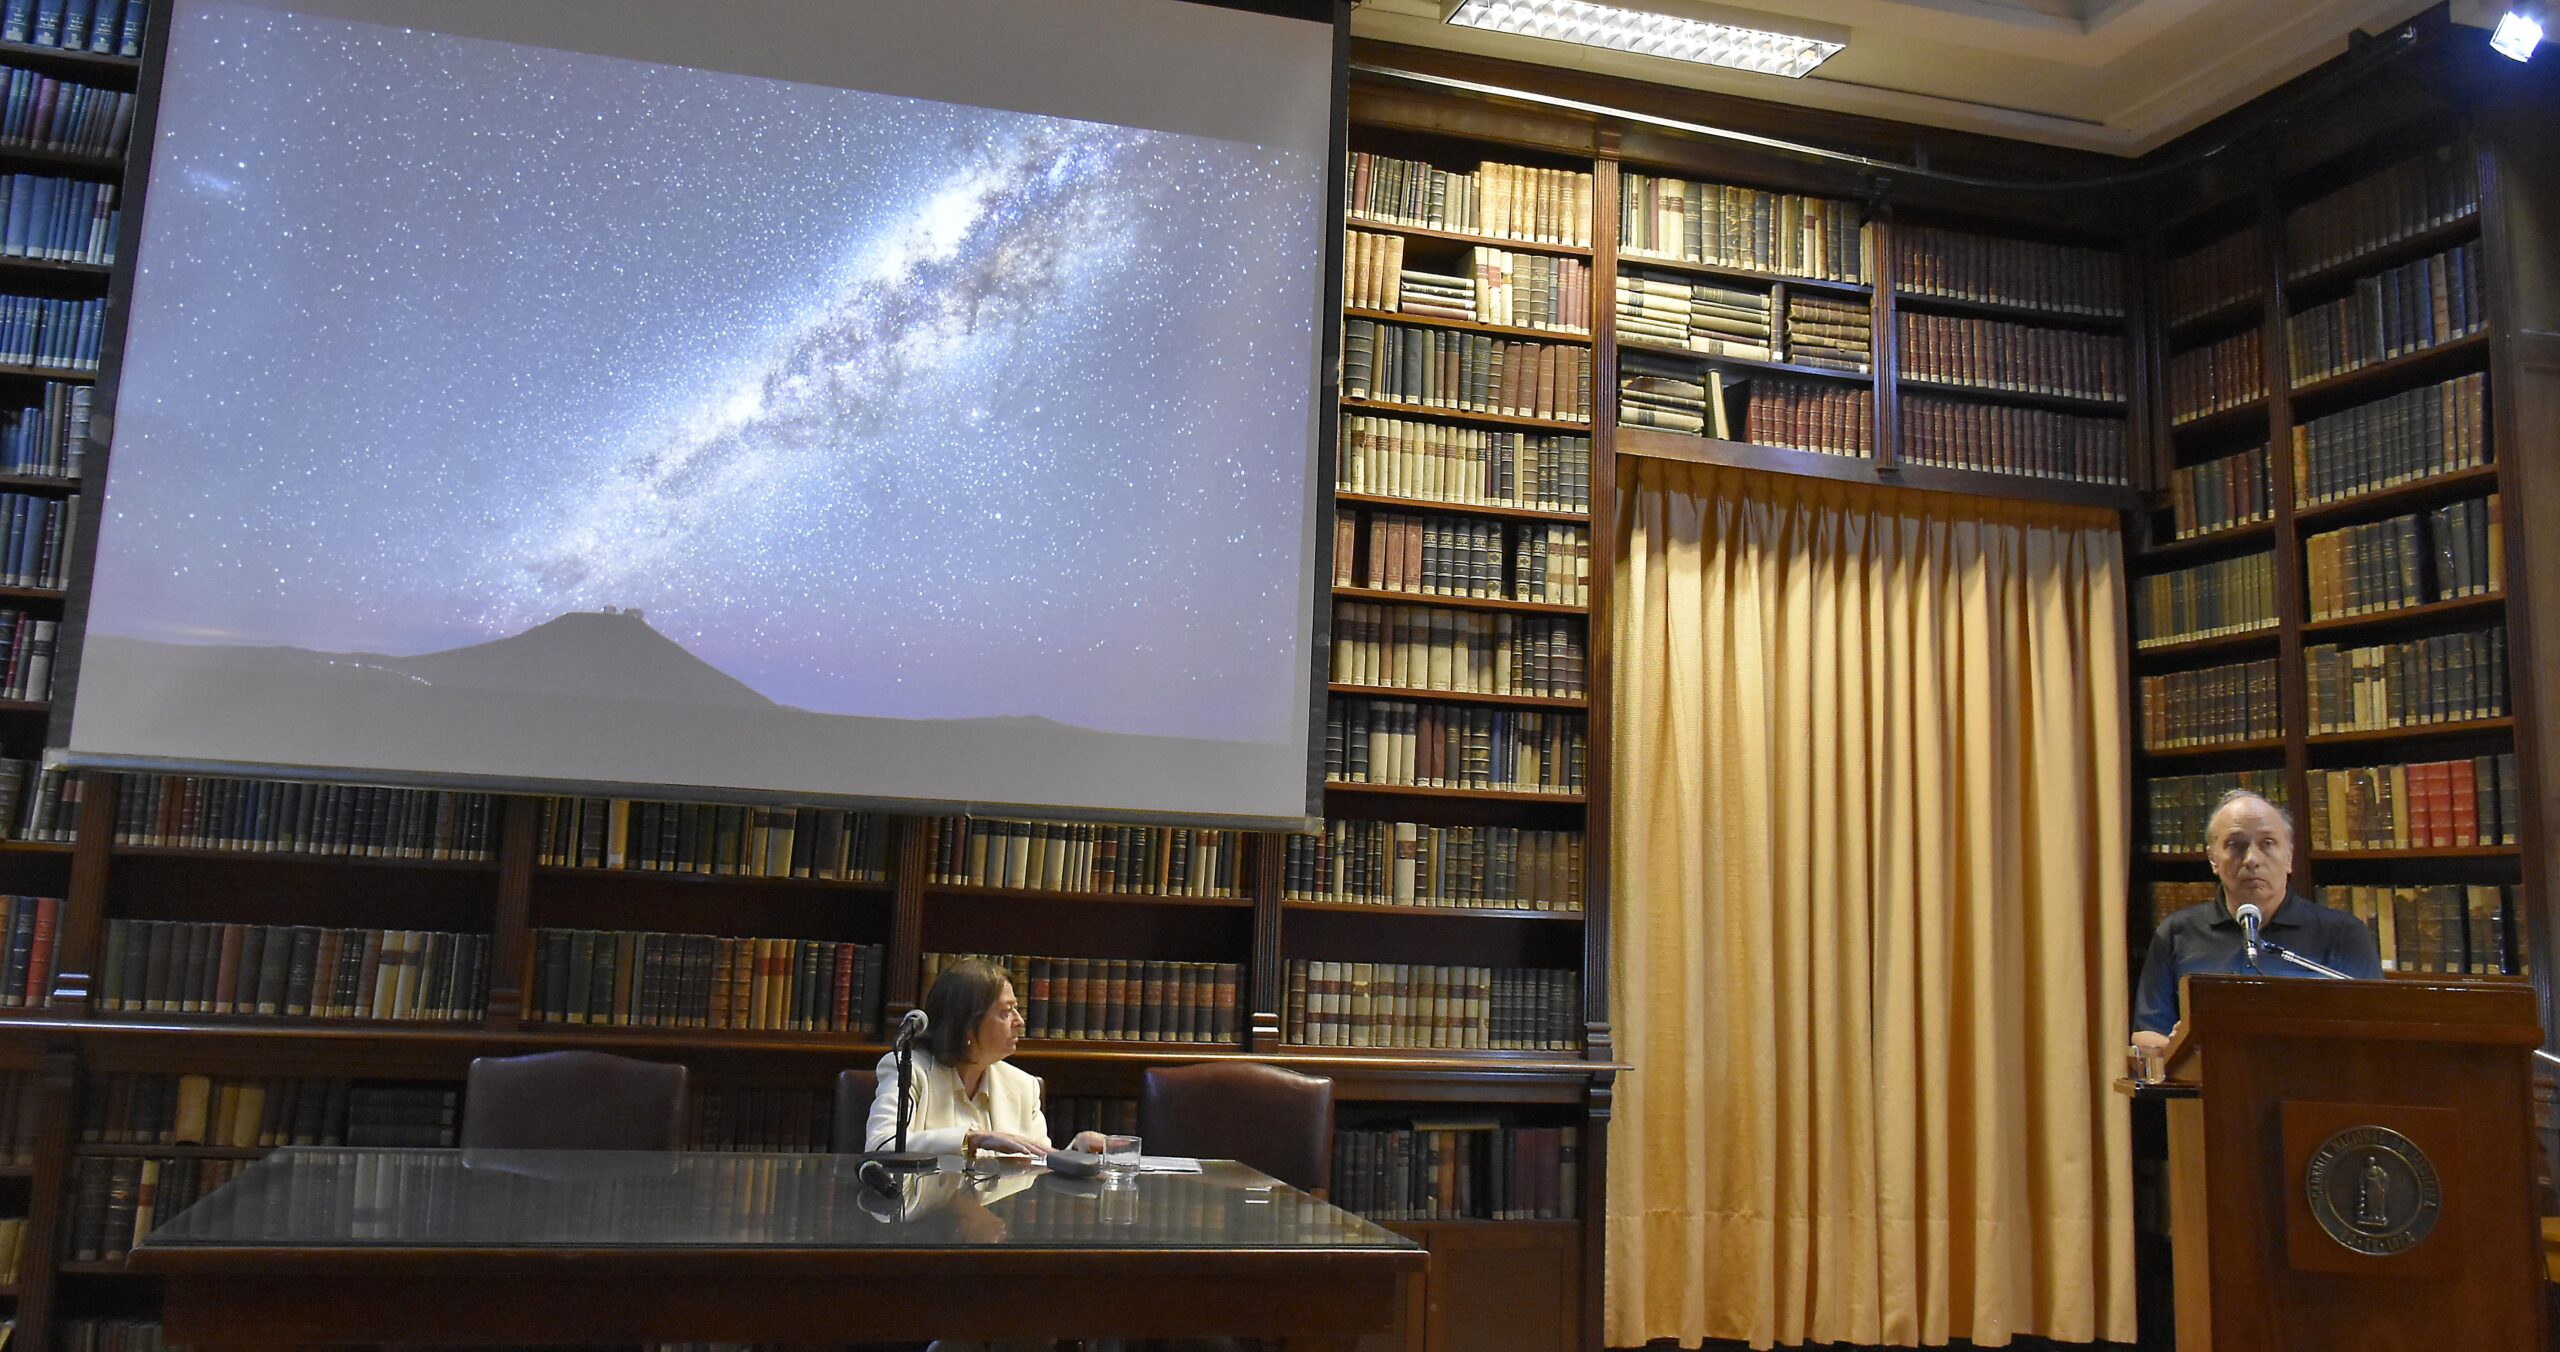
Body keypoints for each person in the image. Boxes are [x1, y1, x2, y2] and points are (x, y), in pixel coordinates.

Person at [2131, 788, 2382, 1062]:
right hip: (2206, 1085)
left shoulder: (2343, 934)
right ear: (2213, 859)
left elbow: (2375, 1032)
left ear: (2289, 857)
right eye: (2235, 845)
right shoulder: (2177, 933)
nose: (2251, 859)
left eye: (2267, 843)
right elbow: (2146, 1035)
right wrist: (2180, 1045)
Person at [866, 956, 1106, 1158]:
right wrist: (972, 1139)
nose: (1019, 1022)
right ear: (967, 1024)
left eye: (1016, 1009)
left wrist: (1076, 1152)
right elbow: (881, 1145)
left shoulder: (1023, 1086)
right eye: (1006, 1012)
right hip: (922, 1201)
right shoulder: (910, 1070)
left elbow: (1039, 1164)